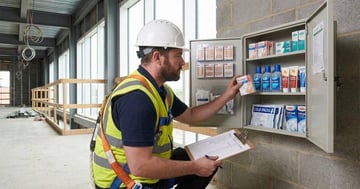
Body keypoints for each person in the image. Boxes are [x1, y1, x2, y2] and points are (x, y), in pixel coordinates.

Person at [92, 19, 242, 189]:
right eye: (178, 55)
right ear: (157, 57)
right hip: (126, 183)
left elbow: (191, 115)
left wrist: (227, 96)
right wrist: (195, 167)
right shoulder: (137, 99)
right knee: (199, 166)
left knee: (208, 158)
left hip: (141, 173)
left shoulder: (160, 90)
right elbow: (141, 166)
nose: (183, 62)